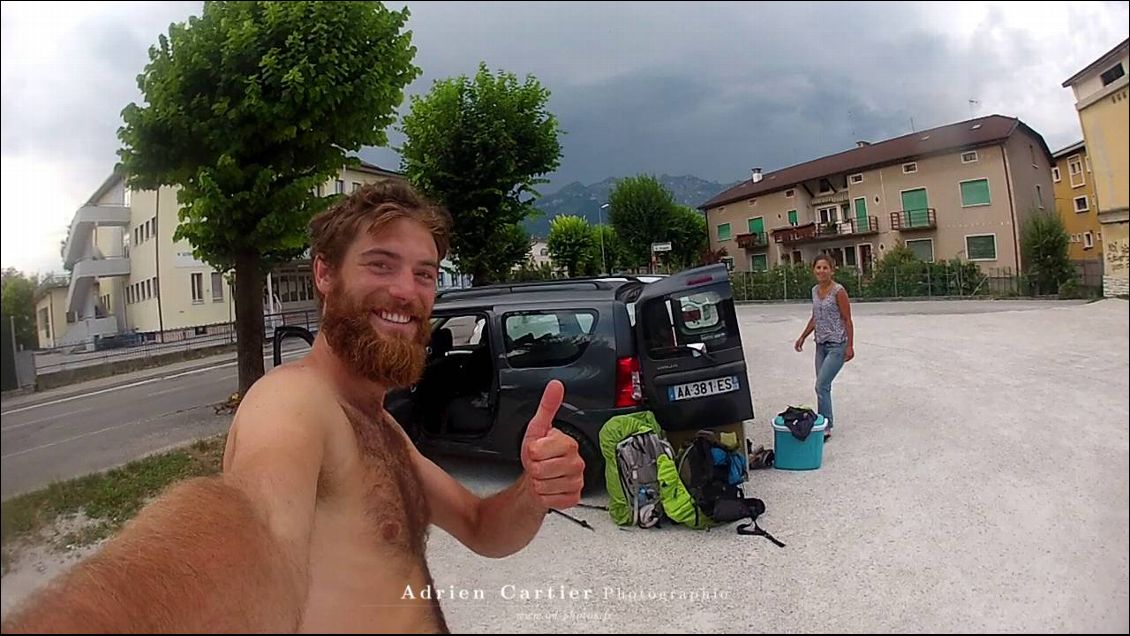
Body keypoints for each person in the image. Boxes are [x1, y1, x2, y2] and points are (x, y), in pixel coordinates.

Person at [1, 181, 585, 634]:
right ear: (324, 274)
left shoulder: (378, 426)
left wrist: (533, 492)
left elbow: (484, 529)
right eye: (380, 264)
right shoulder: (293, 402)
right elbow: (254, 528)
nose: (407, 290)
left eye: (425, 274)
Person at [793, 254, 855, 440]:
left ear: (832, 270)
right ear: (814, 270)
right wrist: (803, 336)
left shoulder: (838, 291)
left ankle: (826, 424)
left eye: (825, 268)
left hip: (837, 345)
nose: (821, 271)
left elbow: (847, 319)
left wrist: (850, 345)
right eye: (818, 268)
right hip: (820, 345)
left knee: (821, 385)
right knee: (823, 387)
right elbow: (815, 317)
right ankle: (823, 421)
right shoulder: (814, 290)